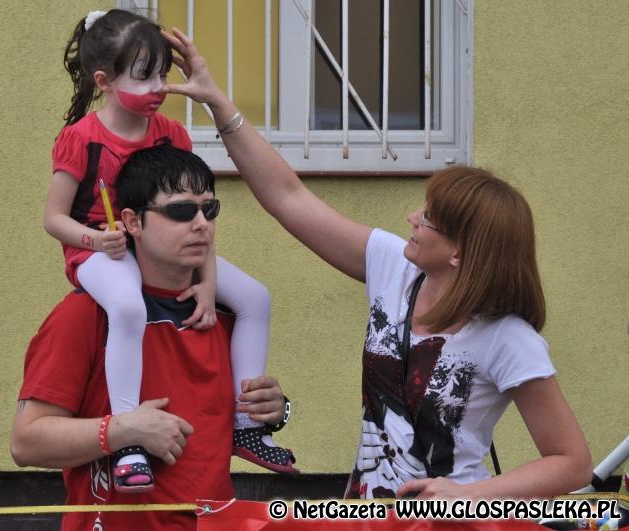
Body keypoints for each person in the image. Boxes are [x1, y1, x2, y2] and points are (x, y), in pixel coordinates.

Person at [161, 28, 593, 499]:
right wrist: (217, 103)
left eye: (429, 218)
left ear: (458, 252)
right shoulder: (395, 268)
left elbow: (571, 463)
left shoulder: (509, 338)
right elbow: (288, 197)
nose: (412, 218)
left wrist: (469, 495)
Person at [43, 8, 295, 491]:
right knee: (126, 306)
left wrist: (208, 283)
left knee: (255, 298)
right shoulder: (81, 139)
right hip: (100, 251)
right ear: (104, 81)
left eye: (163, 74)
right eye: (144, 76)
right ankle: (128, 437)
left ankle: (247, 424)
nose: (159, 87)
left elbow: (197, 213)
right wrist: (96, 240)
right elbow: (53, 218)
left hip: (150, 248)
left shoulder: (172, 134)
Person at [11, 144, 290, 530]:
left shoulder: (225, 313)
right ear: (132, 222)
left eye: (209, 209)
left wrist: (275, 409)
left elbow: (216, 430)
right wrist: (122, 430)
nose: (201, 224)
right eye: (181, 211)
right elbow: (26, 442)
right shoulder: (87, 314)